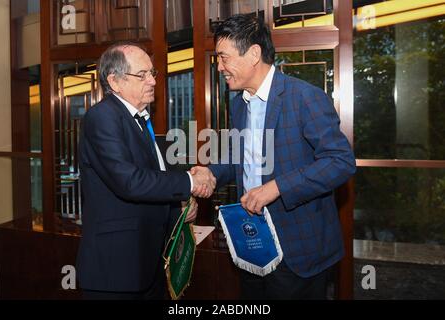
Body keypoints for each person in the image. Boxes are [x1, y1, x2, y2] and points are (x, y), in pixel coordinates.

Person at [192, 14, 356, 300]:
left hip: (299, 250)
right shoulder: (239, 104)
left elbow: (340, 162)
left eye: (223, 57)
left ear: (254, 53)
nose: (220, 67)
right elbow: (239, 156)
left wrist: (277, 187)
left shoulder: (304, 97)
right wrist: (211, 173)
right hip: (253, 245)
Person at [77, 42, 215, 300]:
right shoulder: (103, 117)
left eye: (152, 73)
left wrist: (178, 207)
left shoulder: (138, 119)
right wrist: (189, 181)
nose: (152, 81)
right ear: (115, 82)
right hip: (116, 270)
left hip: (146, 264)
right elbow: (129, 181)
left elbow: (150, 182)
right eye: (142, 75)